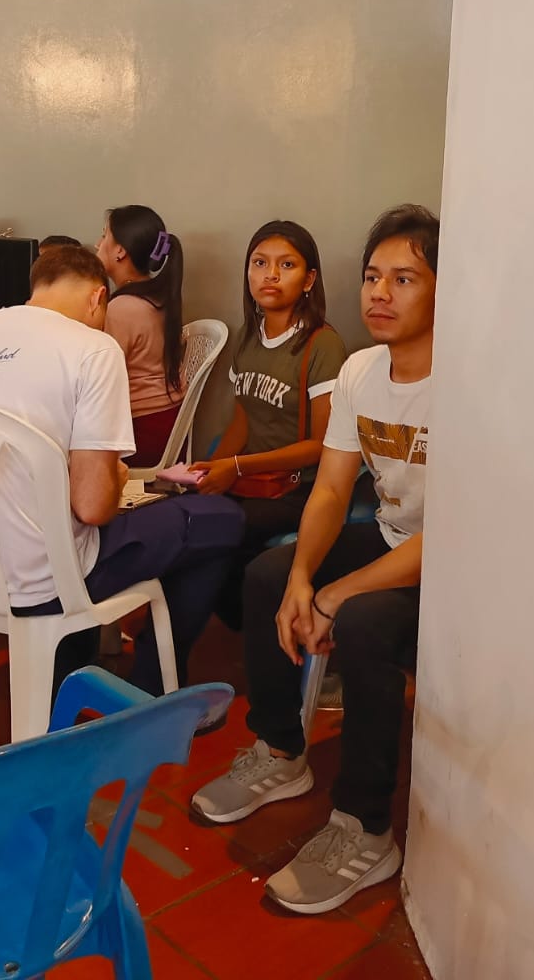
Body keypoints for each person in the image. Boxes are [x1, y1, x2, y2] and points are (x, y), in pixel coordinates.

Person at [190, 204, 438, 916]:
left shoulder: (465, 383)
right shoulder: (363, 370)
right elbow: (330, 489)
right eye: (372, 276)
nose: (380, 293)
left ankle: (365, 827)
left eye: (404, 278)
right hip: (393, 537)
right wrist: (302, 576)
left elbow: (449, 538)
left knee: (363, 622)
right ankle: (279, 752)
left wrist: (332, 596)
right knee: (266, 575)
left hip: (452, 566)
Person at [0, 245, 244, 695]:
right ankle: (151, 689)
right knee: (221, 519)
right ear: (98, 298)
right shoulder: (92, 349)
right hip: (45, 582)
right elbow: (93, 507)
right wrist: (114, 477)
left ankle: (74, 677)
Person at [190, 221, 348, 623]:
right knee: (185, 514)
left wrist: (235, 467)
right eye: (260, 263)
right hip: (249, 479)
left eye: (287, 265)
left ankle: (236, 628)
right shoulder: (248, 336)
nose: (270, 274)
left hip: (297, 488)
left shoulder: (322, 345)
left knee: (219, 531)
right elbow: (242, 420)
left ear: (309, 279)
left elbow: (320, 446)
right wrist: (209, 471)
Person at [96, 204, 185, 466]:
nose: (98, 244)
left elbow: (98, 377)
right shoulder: (157, 297)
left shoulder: (122, 308)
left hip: (141, 435)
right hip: (168, 428)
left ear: (120, 251)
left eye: (104, 236)